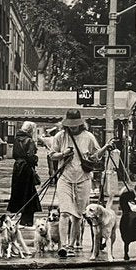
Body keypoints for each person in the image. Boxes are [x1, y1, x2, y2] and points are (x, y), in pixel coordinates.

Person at [49, 110, 113, 257]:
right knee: (64, 212)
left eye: (75, 125)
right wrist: (63, 154)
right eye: (70, 125)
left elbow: (95, 157)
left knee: (78, 215)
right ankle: (63, 246)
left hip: (83, 179)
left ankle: (71, 245)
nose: (73, 128)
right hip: (64, 178)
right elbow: (52, 155)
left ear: (80, 124)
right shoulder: (60, 136)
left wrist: (105, 148)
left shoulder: (88, 137)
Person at [7, 121, 42, 228]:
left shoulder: (17, 139)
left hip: (17, 167)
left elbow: (14, 154)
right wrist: (35, 160)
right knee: (29, 192)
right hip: (26, 168)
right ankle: (27, 219)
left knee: (19, 192)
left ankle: (21, 216)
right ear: (31, 130)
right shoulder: (29, 141)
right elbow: (30, 156)